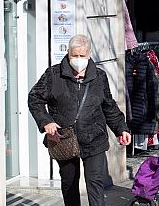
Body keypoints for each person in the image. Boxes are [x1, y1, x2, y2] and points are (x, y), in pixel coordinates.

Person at [28, 35, 131, 206]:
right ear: (68, 54)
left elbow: (108, 105)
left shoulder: (99, 76)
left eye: (82, 56)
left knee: (95, 181)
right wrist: (46, 122)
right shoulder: (53, 75)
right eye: (74, 56)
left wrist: (121, 128)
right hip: (64, 139)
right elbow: (35, 98)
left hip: (94, 138)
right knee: (69, 183)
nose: (78, 60)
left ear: (89, 54)